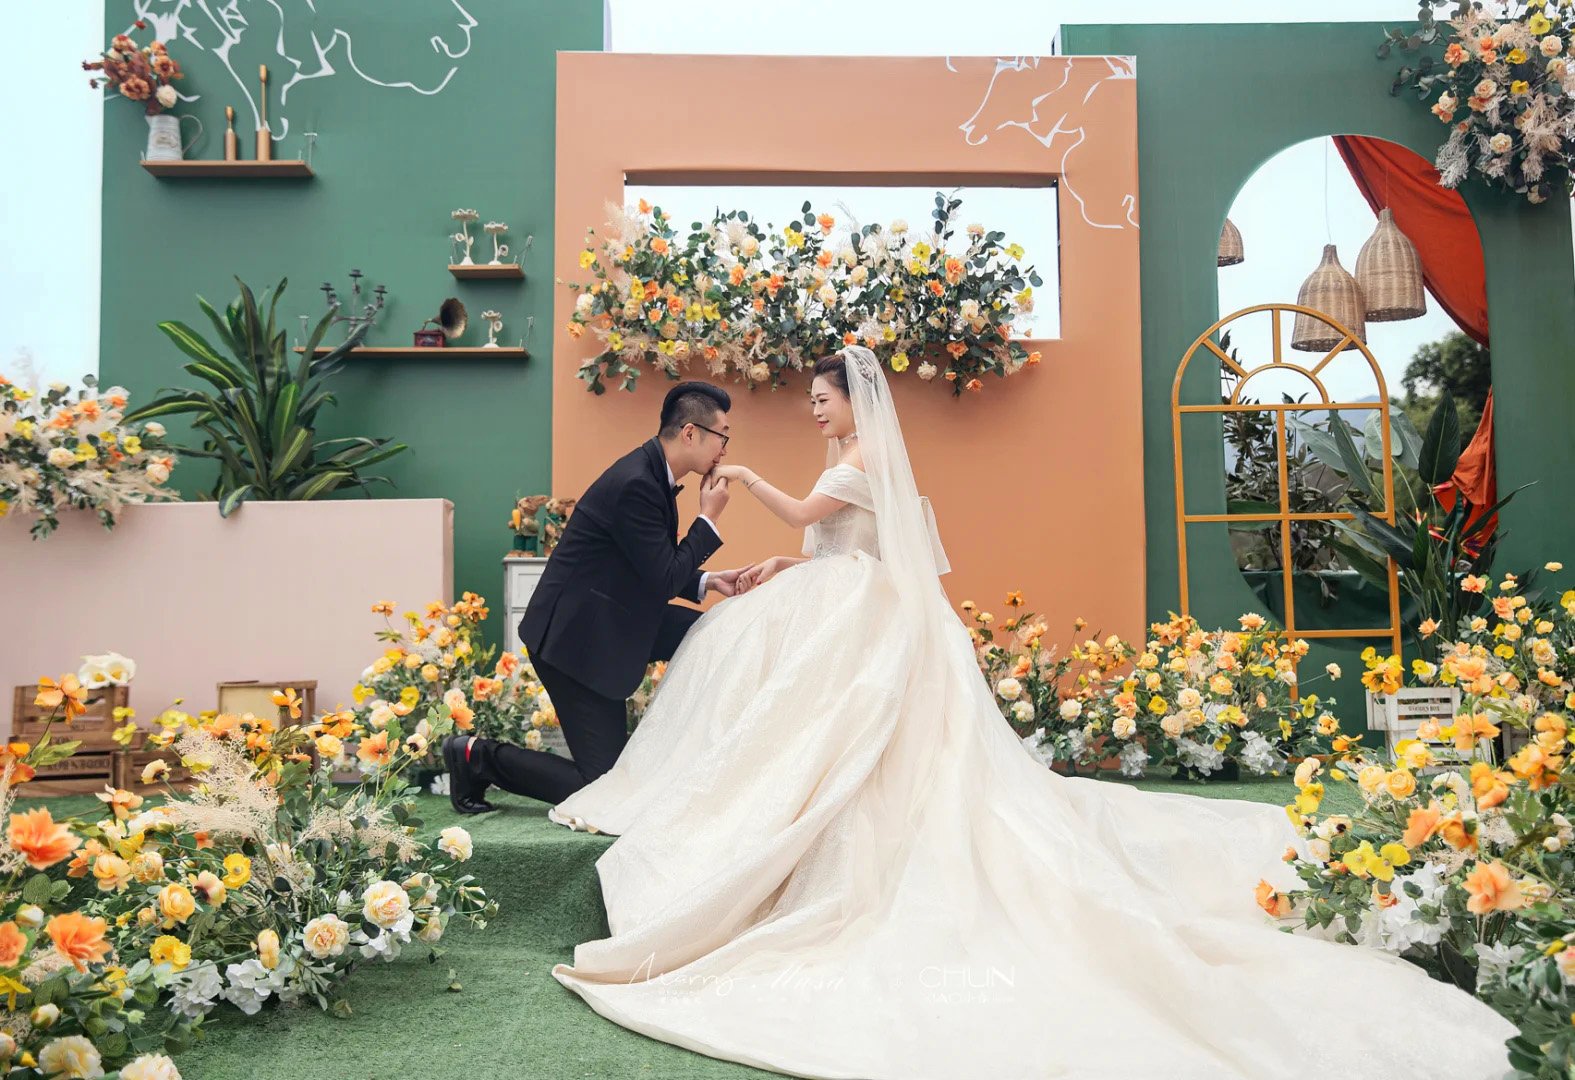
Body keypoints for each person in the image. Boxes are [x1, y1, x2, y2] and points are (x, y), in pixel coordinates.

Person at [544, 347, 1514, 1079]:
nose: (815, 409)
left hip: (859, 616)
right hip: (842, 600)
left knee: (862, 743)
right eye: (813, 402)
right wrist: (770, 563)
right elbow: (833, 542)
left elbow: (810, 516)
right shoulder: (850, 456)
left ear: (853, 398)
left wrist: (744, 488)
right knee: (805, 716)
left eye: (822, 397)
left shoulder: (862, 453)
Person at [442, 381, 751, 813]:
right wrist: (708, 519)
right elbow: (663, 577)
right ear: (690, 433)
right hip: (575, 640)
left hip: (613, 617)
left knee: (714, 629)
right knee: (601, 787)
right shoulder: (637, 483)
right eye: (722, 436)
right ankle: (475, 757)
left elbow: (648, 564)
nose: (725, 449)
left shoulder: (652, 475)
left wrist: (709, 581)